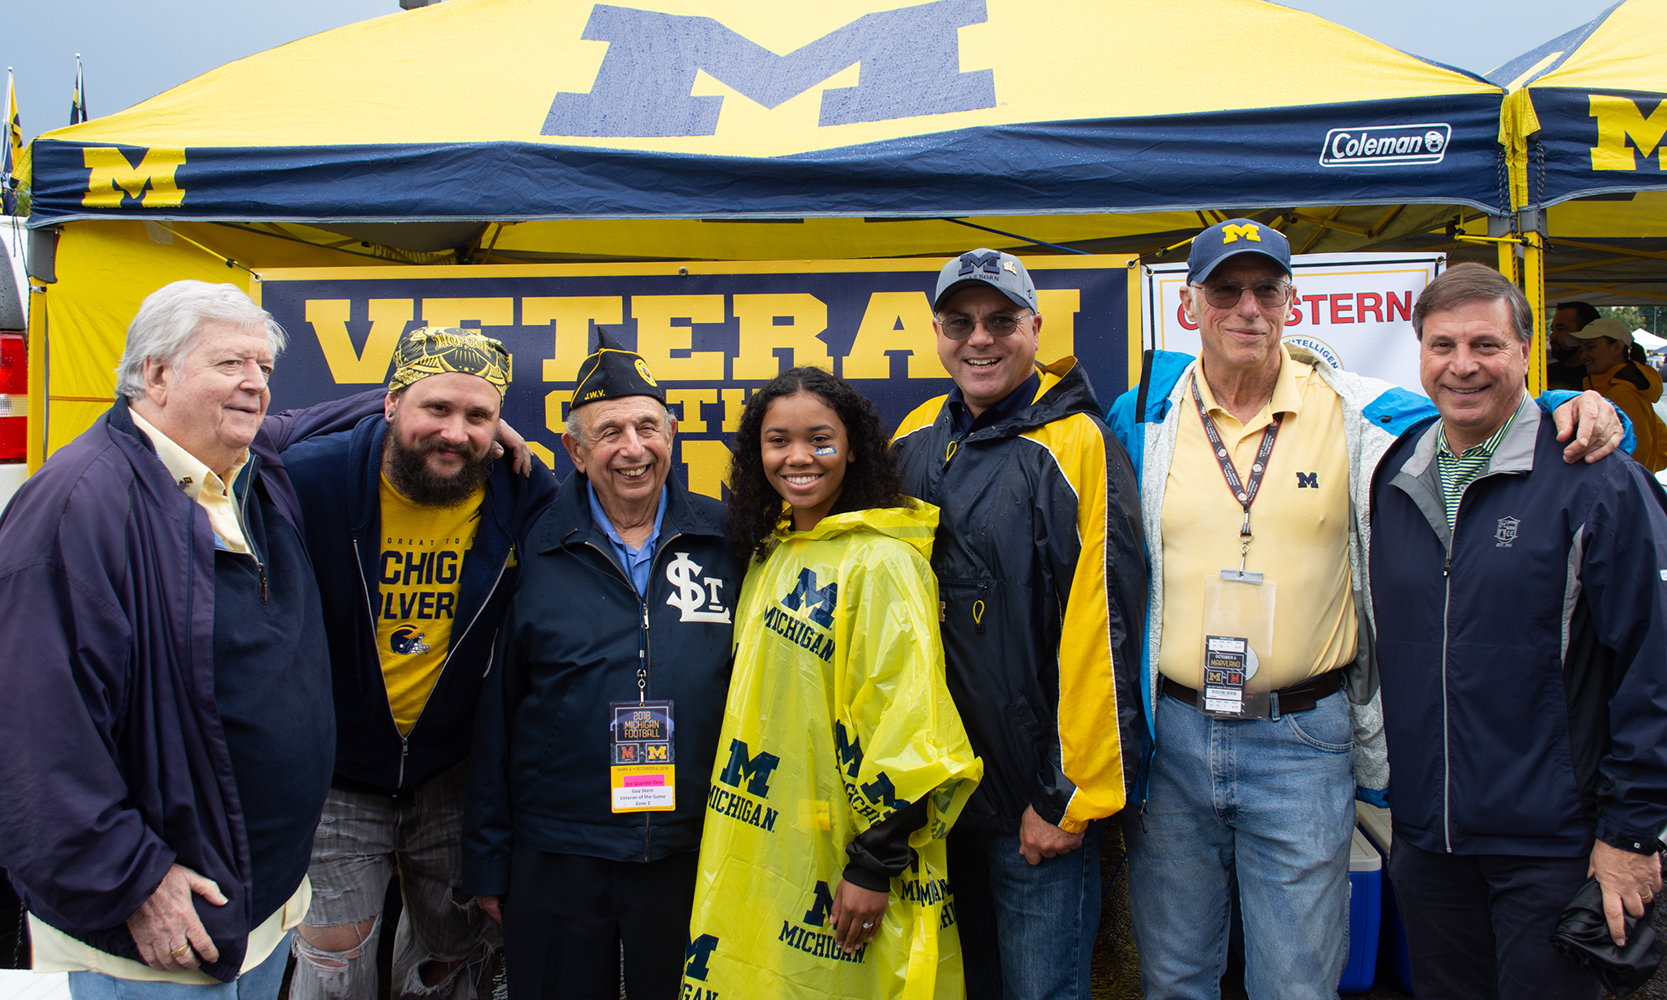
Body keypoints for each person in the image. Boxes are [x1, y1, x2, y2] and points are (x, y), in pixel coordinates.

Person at [1106, 223, 1627, 1000]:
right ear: (1189, 305)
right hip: (1174, 735)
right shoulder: (1141, 416)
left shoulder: (1366, 415)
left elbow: (1480, 408)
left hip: (1303, 738)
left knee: (1297, 981)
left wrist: (1573, 403)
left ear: (1291, 302)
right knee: (1176, 974)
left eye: (1265, 290)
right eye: (1224, 291)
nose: (1246, 308)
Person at [0, 281, 377, 999]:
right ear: (156, 375)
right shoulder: (79, 506)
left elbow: (298, 421)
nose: (255, 384)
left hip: (261, 911)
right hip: (162, 930)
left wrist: (414, 401)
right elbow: (31, 734)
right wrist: (133, 880)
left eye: (264, 368)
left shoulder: (245, 471)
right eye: (230, 363)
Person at [1368, 262, 1667, 1000]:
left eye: (1486, 345)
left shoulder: (1594, 478)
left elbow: (1654, 665)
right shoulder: (1396, 473)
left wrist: (1630, 835)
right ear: (1419, 353)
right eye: (1442, 345)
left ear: (1526, 351)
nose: (1462, 365)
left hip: (1553, 844)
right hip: (1429, 840)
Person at [891, 249, 1147, 1000]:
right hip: (935, 805)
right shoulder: (912, 436)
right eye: (959, 322)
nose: (979, 339)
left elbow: (1106, 630)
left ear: (1035, 328)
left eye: (1000, 321)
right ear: (937, 333)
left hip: (1033, 810)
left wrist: (1068, 795)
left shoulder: (1077, 443)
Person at [683, 366, 981, 999]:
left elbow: (909, 723)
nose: (798, 457)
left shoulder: (884, 561)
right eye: (778, 441)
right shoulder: (769, 553)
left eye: (820, 440)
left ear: (853, 449)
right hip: (771, 847)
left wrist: (873, 865)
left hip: (852, 857)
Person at [282, 327, 557, 1000]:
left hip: (451, 772)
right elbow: (226, 451)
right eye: (436, 408)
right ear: (390, 403)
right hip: (337, 773)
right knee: (333, 968)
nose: (455, 433)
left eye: (478, 416)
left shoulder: (522, 490)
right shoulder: (310, 478)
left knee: (451, 961)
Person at [462, 329, 736, 1000]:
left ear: (672, 436)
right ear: (575, 452)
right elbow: (496, 714)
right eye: (609, 432)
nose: (633, 448)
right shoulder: (532, 545)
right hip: (559, 849)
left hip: (695, 844)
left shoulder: (730, 538)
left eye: (647, 427)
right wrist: (489, 859)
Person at [1568, 316, 1667, 470]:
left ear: (1617, 348)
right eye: (1582, 349)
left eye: (1590, 347)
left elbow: (1638, 451)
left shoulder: (1621, 391)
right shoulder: (1628, 386)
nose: (1583, 356)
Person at [1547, 300, 1601, 391]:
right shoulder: (1546, 373)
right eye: (1552, 330)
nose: (1552, 336)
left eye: (1560, 329)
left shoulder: (1600, 379)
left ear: (1585, 333)